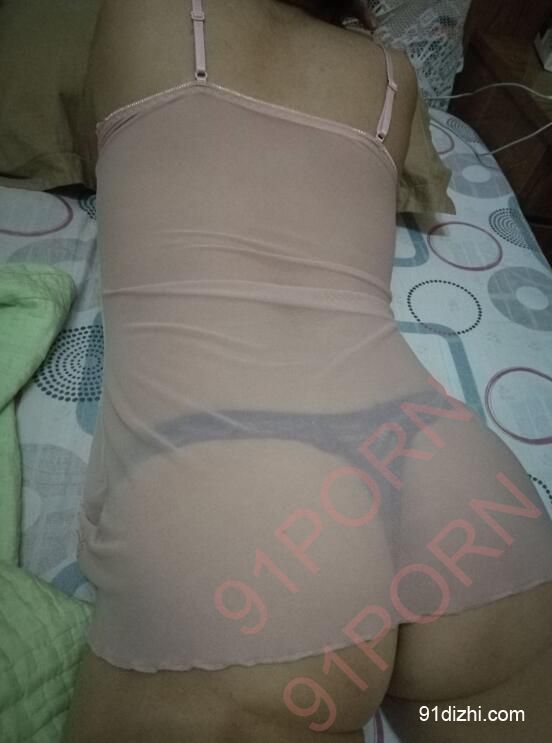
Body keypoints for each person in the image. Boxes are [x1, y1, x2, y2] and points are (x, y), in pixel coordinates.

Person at [62, 1, 552, 741]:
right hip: (455, 486)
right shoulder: (393, 76)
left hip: (243, 511)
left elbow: (96, 154)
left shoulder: (146, 13)